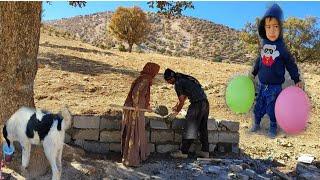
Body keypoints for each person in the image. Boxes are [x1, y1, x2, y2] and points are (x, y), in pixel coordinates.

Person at [250, 4, 303, 138]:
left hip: (275, 87)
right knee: (258, 107)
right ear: (264, 28)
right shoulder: (263, 45)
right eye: (268, 27)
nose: (272, 31)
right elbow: (259, 60)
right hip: (262, 85)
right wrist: (254, 72)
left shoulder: (282, 48)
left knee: (272, 109)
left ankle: (273, 127)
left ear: (280, 28)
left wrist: (296, 79)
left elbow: (291, 64)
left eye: (275, 27)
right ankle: (256, 123)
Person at [164, 68, 210, 158]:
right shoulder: (184, 79)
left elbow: (182, 101)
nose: (168, 83)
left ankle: (183, 152)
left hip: (196, 104)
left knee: (190, 127)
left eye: (168, 81)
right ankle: (205, 151)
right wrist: (176, 106)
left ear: (170, 78)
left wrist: (175, 113)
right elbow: (184, 96)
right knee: (202, 128)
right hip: (205, 104)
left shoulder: (178, 83)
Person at [121, 62, 160, 167]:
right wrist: (136, 105)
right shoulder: (145, 79)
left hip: (138, 108)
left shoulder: (144, 78)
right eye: (156, 71)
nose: (156, 74)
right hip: (135, 110)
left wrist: (146, 106)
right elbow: (136, 92)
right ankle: (132, 160)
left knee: (136, 131)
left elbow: (143, 94)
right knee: (135, 132)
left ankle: (133, 157)